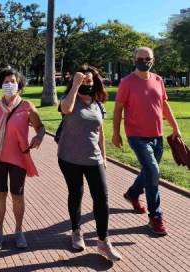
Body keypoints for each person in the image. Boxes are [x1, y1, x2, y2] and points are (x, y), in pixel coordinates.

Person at [113, 47, 181, 236]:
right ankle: (155, 217)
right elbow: (118, 109)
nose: (144, 61)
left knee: (149, 171)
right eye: (140, 58)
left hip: (157, 136)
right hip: (136, 136)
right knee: (152, 170)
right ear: (134, 60)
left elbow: (164, 105)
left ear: (153, 60)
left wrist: (176, 127)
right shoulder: (126, 82)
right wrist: (116, 133)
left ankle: (133, 194)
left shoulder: (158, 80)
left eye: (147, 58)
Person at [58, 65, 121, 262]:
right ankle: (76, 231)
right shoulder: (69, 100)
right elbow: (66, 109)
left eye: (90, 80)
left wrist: (104, 157)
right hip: (69, 158)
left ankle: (103, 241)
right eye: (84, 80)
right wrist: (75, 84)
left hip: (94, 159)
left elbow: (100, 133)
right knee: (76, 194)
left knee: (102, 198)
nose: (88, 82)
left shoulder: (98, 104)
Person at [0, 69, 45, 250]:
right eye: (6, 81)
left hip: (18, 158)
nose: (9, 84)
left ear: (19, 84)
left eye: (13, 81)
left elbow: (40, 127)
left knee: (17, 196)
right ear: (1, 84)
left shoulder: (27, 106)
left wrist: (38, 137)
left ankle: (18, 231)